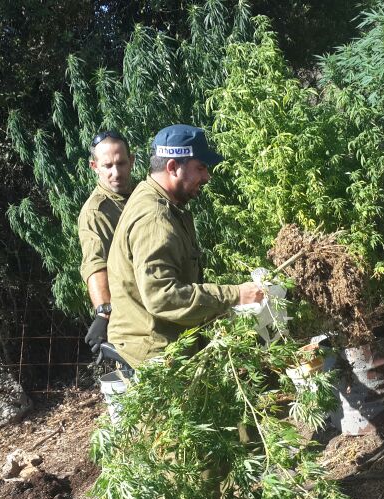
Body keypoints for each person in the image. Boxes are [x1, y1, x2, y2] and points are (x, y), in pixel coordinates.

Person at [106, 124, 265, 370]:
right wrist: (236, 296)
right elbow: (162, 296)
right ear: (172, 167)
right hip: (156, 361)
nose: (207, 176)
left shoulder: (157, 199)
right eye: (200, 167)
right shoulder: (155, 218)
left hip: (162, 348)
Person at [78, 130, 137, 354]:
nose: (116, 172)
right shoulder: (97, 211)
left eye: (121, 163)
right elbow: (95, 263)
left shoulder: (141, 196)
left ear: (131, 161)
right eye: (107, 166)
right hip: (129, 316)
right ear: (95, 167)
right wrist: (104, 313)